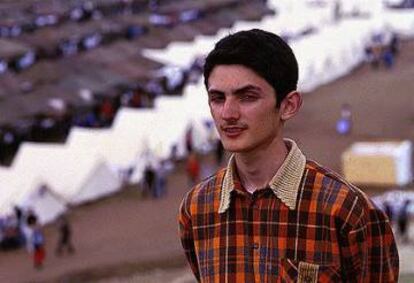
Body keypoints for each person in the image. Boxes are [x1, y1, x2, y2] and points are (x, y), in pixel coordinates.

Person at [178, 29, 399, 282]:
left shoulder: (347, 211)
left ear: (288, 105)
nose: (228, 113)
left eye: (247, 97)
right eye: (217, 98)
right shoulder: (197, 208)